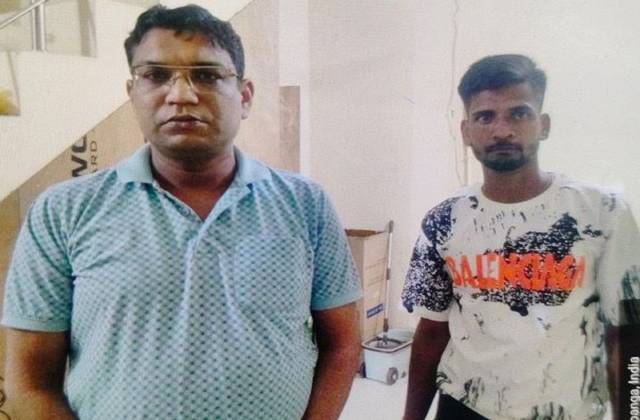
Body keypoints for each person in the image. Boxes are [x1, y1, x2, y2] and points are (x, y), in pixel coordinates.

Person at [1, 5, 362, 419]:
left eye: (206, 75)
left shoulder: (305, 204)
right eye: (156, 76)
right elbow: (30, 383)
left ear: (245, 96)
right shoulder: (63, 211)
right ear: (133, 93)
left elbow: (342, 346)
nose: (181, 95)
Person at [401, 54, 640, 420]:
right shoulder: (444, 220)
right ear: (466, 132)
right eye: (485, 117)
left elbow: (626, 333)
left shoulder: (602, 213)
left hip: (565, 411)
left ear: (544, 125)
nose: (502, 130)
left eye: (519, 113)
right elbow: (431, 332)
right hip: (465, 407)